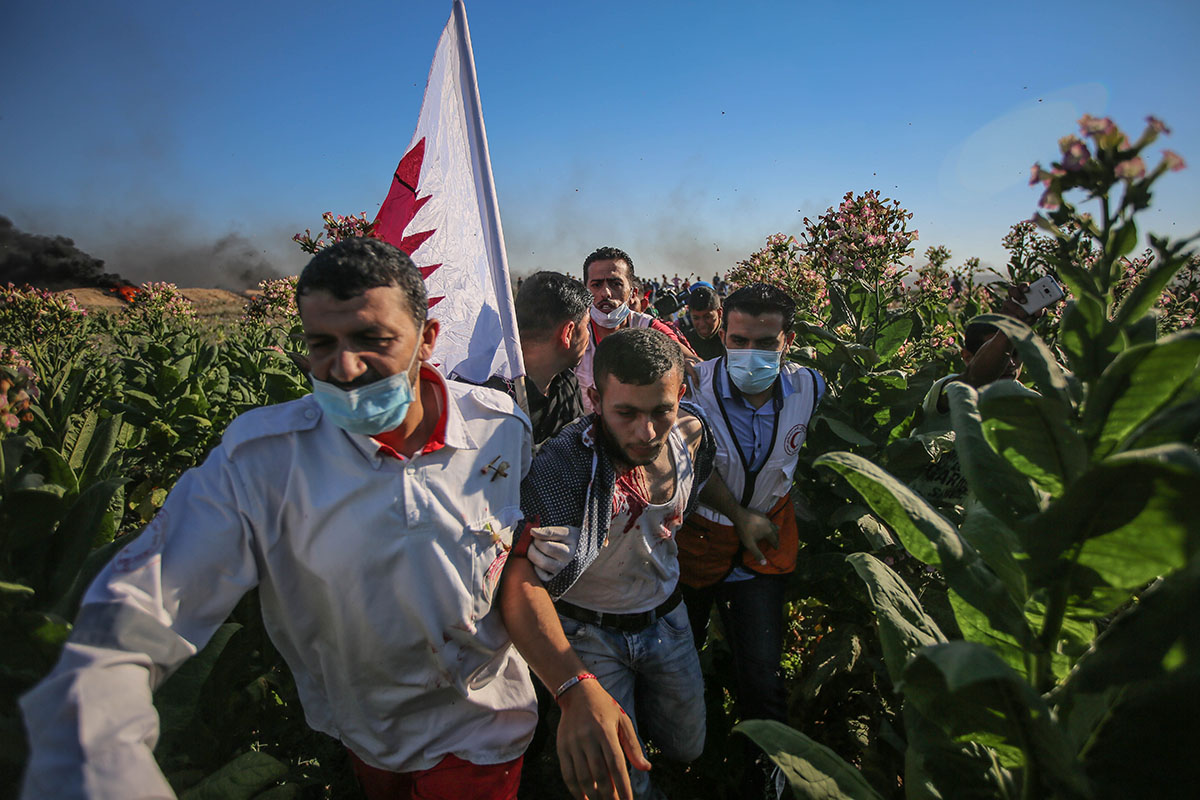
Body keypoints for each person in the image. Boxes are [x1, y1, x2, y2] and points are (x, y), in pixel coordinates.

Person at [20, 238, 537, 800]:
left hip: (482, 729)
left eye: (372, 340)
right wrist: (98, 741)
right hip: (361, 731)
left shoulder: (500, 427)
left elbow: (518, 549)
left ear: (429, 340)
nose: (343, 367)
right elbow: (148, 602)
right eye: (322, 343)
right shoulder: (263, 457)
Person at [501, 328, 777, 800]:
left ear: (681, 399)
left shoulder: (691, 433)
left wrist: (739, 515)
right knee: (621, 781)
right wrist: (571, 682)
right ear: (594, 398)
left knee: (687, 746)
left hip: (666, 620)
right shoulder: (564, 466)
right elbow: (517, 575)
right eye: (625, 413)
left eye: (660, 411)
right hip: (588, 633)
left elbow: (700, 474)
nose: (646, 433)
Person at [675, 283, 825, 799]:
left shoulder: (810, 387)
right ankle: (682, 756)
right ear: (724, 332)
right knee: (680, 659)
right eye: (737, 341)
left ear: (789, 340)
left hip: (763, 551)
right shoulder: (693, 384)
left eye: (764, 343)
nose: (747, 355)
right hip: (697, 544)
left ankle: (766, 774)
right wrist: (739, 515)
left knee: (762, 676)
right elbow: (687, 462)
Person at [908, 282, 1047, 514]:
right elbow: (976, 379)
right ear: (967, 356)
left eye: (1015, 353)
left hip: (966, 529)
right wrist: (1009, 332)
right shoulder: (948, 389)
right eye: (998, 350)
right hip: (912, 512)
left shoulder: (1028, 402)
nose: (1009, 362)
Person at [456, 270, 590, 448]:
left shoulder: (567, 383)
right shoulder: (485, 398)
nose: (588, 335)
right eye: (587, 325)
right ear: (568, 333)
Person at [576, 246, 696, 413]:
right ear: (585, 291)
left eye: (616, 284)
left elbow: (687, 358)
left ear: (632, 292)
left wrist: (690, 364)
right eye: (596, 285)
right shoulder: (574, 332)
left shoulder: (647, 326)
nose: (606, 293)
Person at [678, 285, 726, 361]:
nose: (702, 324)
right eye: (696, 318)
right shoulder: (686, 342)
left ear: (719, 313)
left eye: (707, 317)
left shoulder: (732, 340)